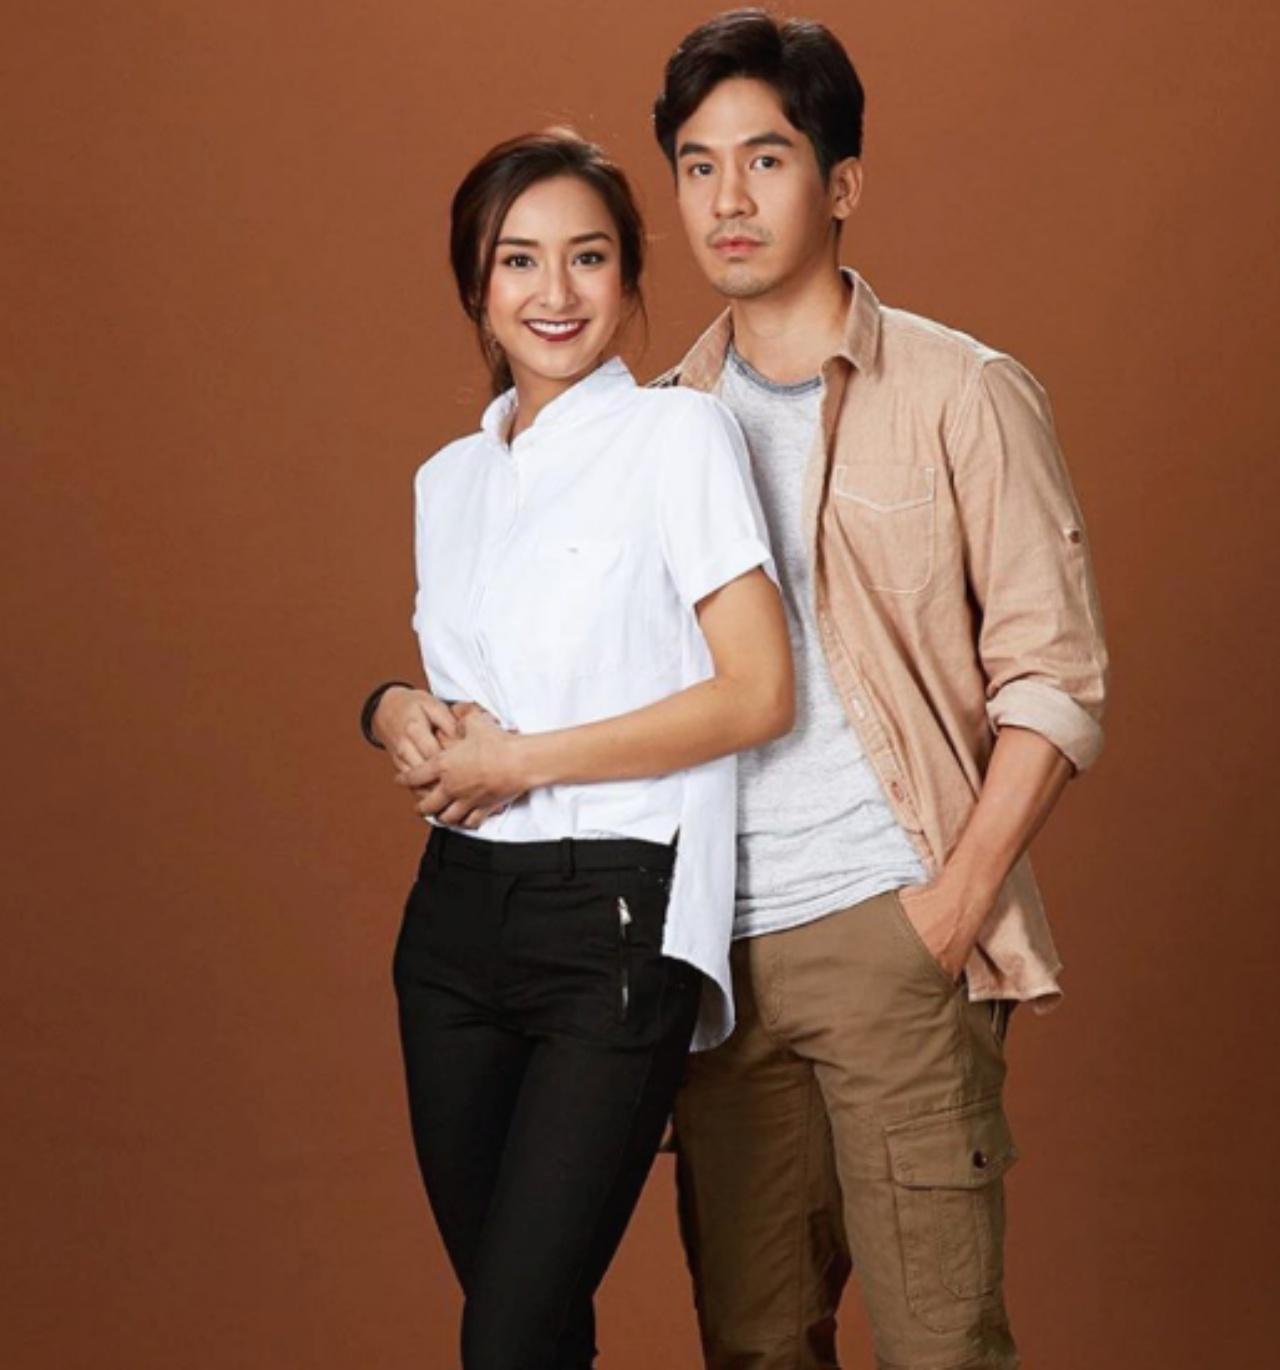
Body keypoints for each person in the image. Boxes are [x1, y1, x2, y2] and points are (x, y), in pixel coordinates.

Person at [643, 11, 1109, 1370]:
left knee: (938, 1346)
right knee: (752, 1346)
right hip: (719, 966)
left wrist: (949, 906)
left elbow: (1055, 675)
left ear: (840, 181)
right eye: (696, 165)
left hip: (892, 932)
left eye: (765, 159)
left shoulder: (963, 393)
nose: (727, 199)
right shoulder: (660, 428)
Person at [361, 129, 792, 1370]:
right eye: (518, 260)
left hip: (610, 915)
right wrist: (393, 707)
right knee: (530, 1335)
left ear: (628, 274)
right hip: (451, 927)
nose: (554, 293)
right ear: (475, 285)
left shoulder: (676, 438)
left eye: (587, 257)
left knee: (505, 1340)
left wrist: (520, 761)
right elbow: (475, 697)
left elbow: (756, 691)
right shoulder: (447, 479)